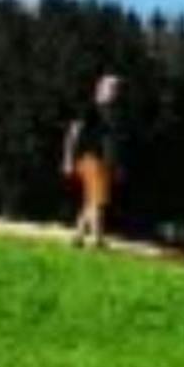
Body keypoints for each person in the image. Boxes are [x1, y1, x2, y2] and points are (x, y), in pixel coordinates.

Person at [60, 70, 126, 248]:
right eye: (111, 87)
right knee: (98, 200)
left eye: (117, 87)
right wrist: (68, 158)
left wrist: (116, 165)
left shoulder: (115, 112)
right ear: (100, 88)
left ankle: (78, 237)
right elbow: (73, 133)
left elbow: (114, 142)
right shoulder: (90, 108)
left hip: (105, 162)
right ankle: (97, 239)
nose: (115, 90)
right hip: (90, 158)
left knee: (91, 200)